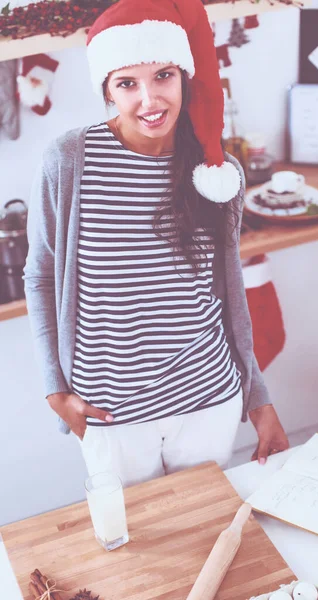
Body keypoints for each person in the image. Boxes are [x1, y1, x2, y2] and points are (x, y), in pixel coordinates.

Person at [23, 0, 289, 487]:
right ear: (106, 88)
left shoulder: (216, 171)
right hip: (111, 413)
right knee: (135, 547)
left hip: (208, 401)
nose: (150, 100)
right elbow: (39, 275)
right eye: (127, 83)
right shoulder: (69, 161)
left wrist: (258, 398)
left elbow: (228, 296)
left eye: (163, 76)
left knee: (204, 534)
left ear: (184, 76)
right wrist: (53, 390)